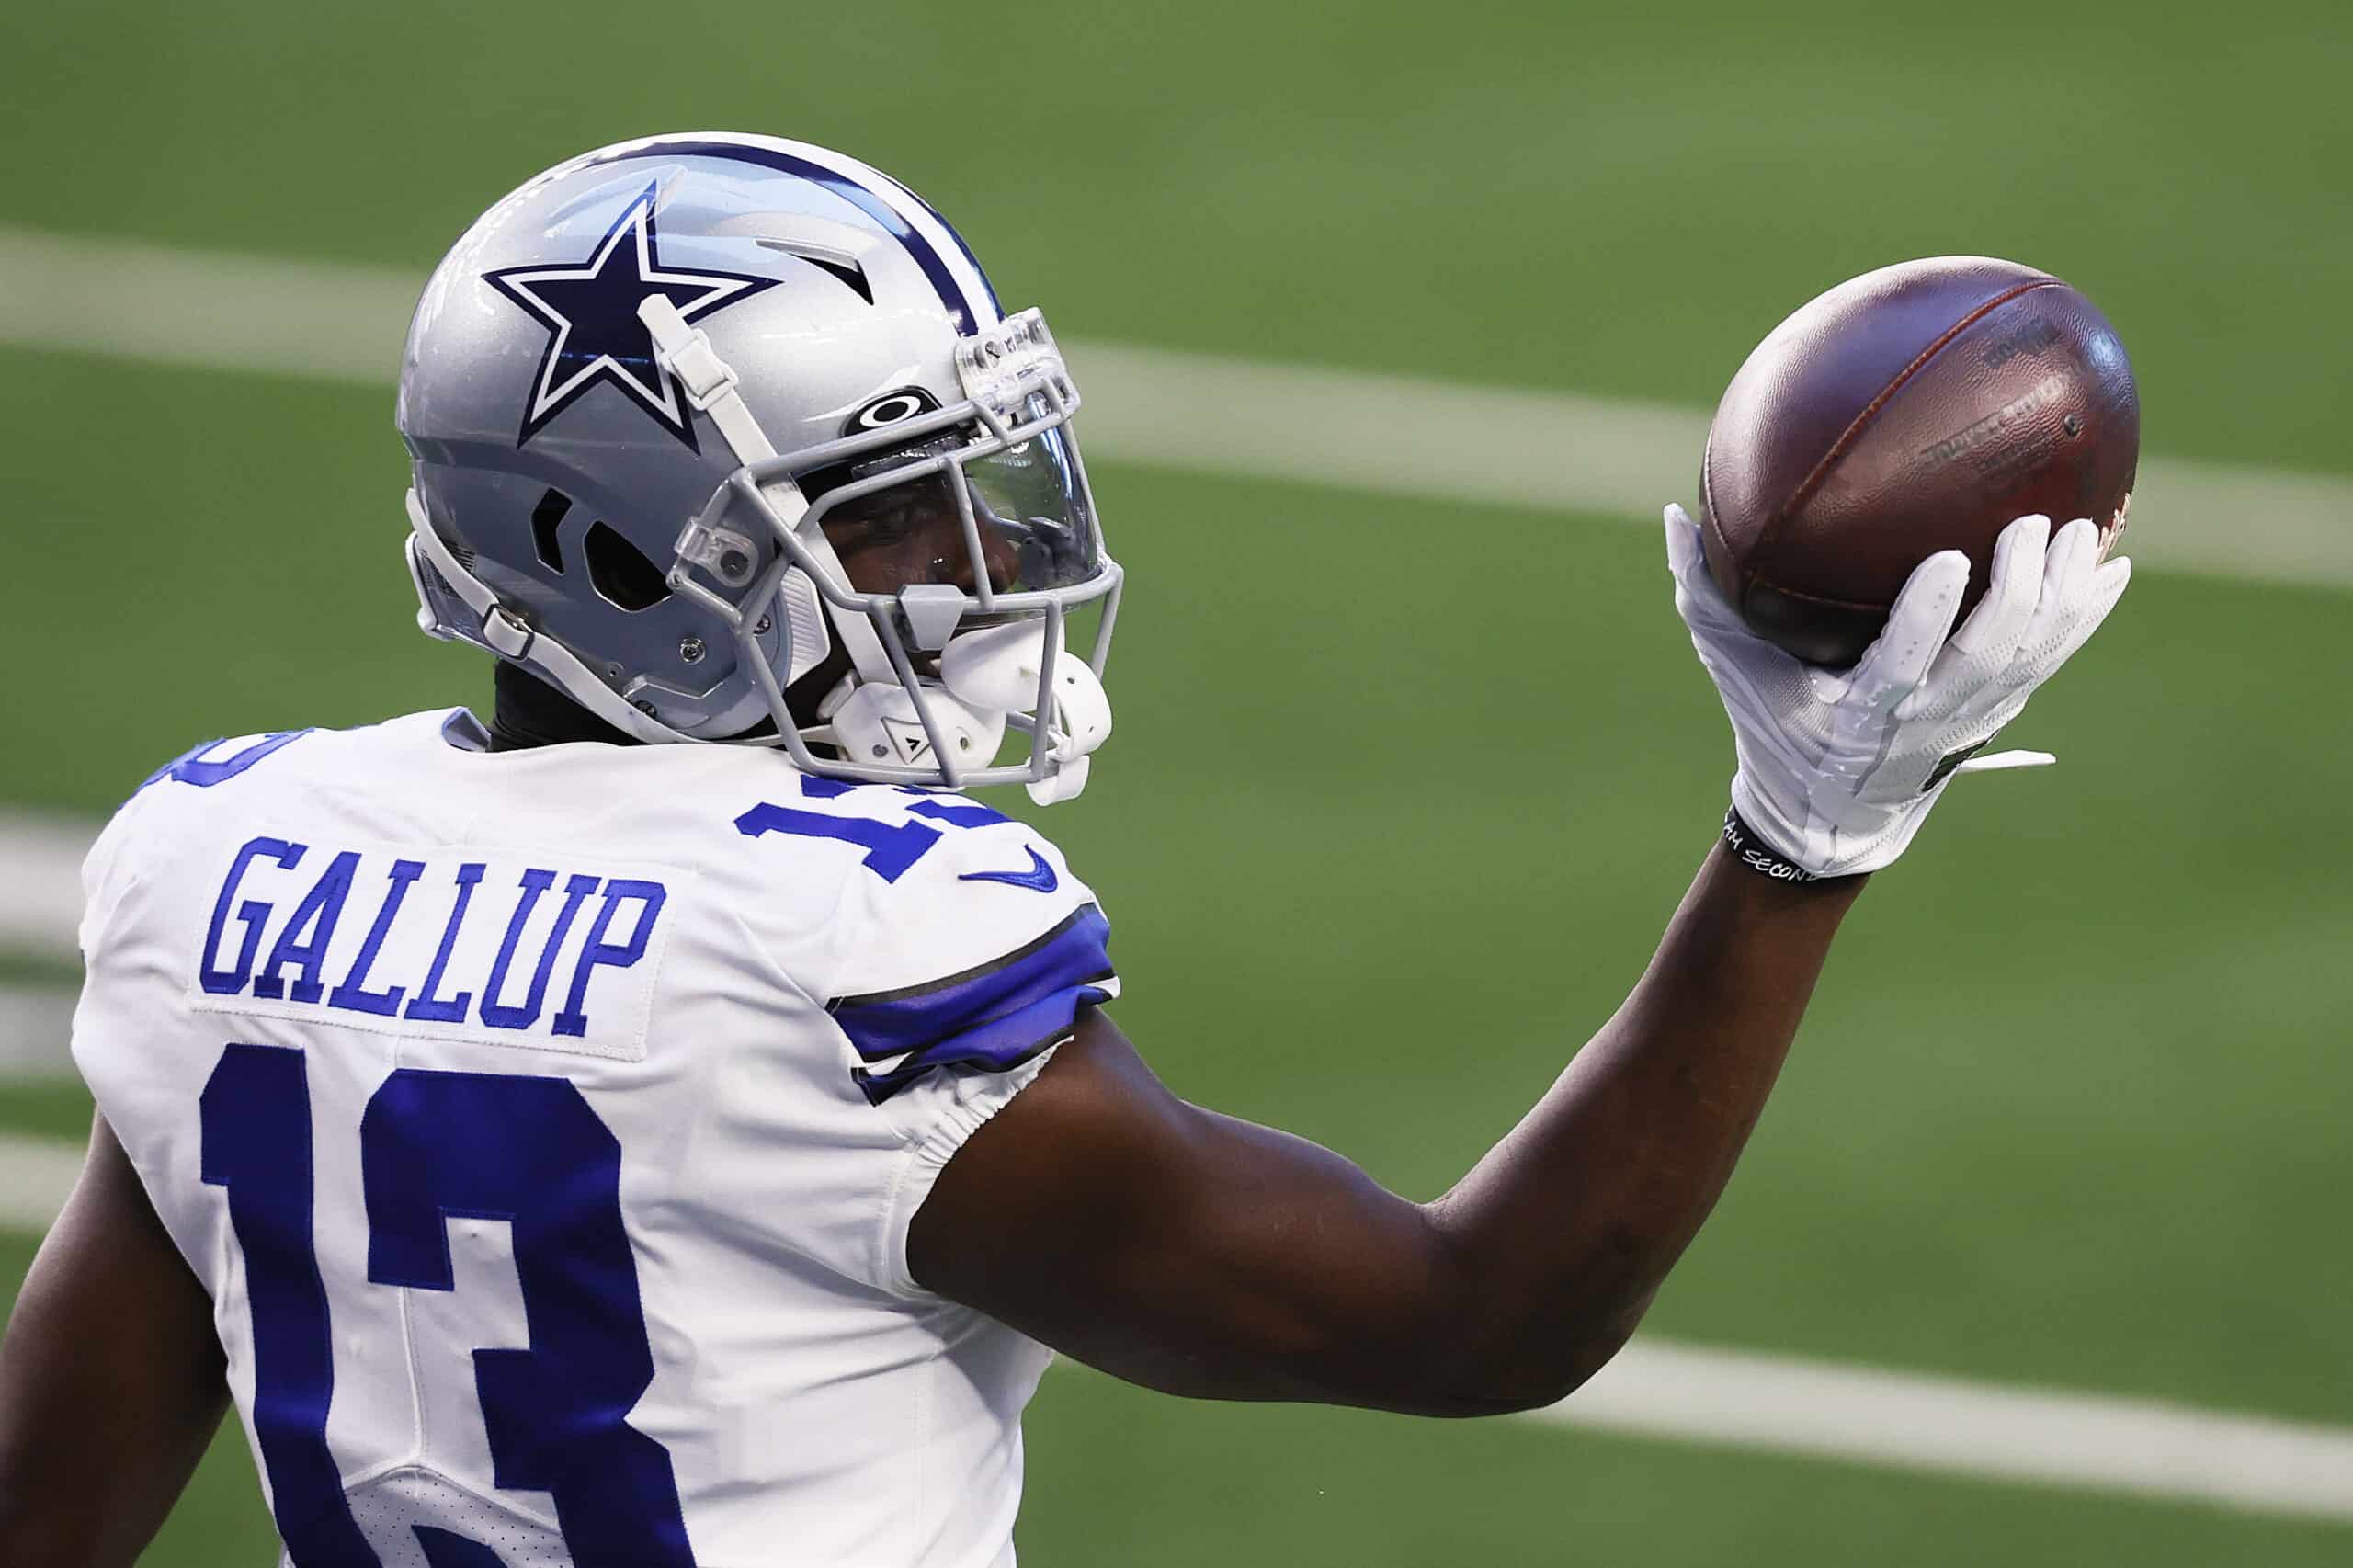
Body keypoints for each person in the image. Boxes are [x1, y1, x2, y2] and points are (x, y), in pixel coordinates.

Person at [0, 135, 2130, 1568]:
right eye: (886, 508)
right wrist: (1800, 839)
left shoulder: (234, 874)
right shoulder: (829, 960)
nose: (980, 560)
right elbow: (1470, 1316)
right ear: (621, 555)